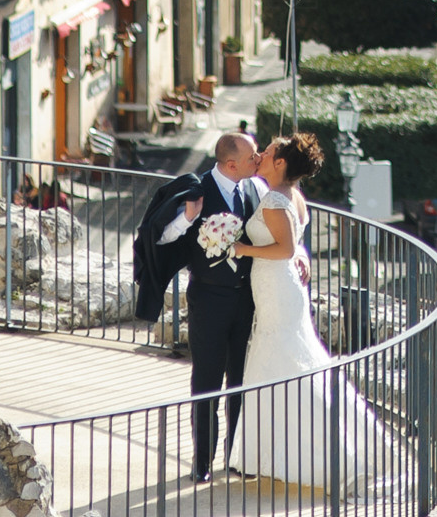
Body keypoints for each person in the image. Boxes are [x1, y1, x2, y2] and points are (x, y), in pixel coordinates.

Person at [228, 134, 401, 489]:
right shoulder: (293, 196)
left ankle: (322, 452)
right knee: (288, 363)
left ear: (280, 164)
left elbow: (285, 248)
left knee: (285, 364)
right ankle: (272, 453)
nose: (261, 153)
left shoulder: (276, 200)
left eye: (270, 151)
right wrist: (301, 255)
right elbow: (298, 243)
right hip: (282, 289)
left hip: (277, 288)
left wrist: (242, 249)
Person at [131, 132, 263, 481]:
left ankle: (236, 458)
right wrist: (188, 217)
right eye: (252, 156)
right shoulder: (197, 189)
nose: (258, 159)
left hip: (245, 298)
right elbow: (160, 237)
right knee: (206, 382)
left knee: (240, 381)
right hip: (208, 299)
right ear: (232, 163)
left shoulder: (252, 189)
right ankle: (202, 461)